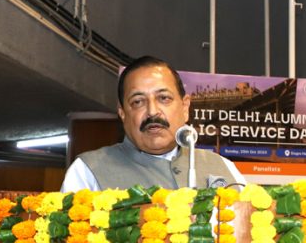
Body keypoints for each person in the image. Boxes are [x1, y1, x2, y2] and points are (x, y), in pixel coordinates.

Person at [61, 55, 245, 192]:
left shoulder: (224, 167)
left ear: (185, 107)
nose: (152, 111)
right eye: (138, 101)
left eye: (164, 98)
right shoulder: (88, 172)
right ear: (123, 113)